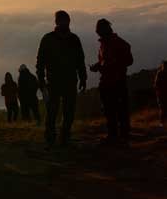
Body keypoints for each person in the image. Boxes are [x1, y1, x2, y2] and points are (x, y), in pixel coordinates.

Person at [36, 10, 87, 147]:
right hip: (54, 81)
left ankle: (64, 136)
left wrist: (83, 78)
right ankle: (51, 137)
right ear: (57, 22)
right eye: (62, 20)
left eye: (66, 20)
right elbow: (40, 61)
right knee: (52, 111)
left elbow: (80, 60)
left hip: (70, 80)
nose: (65, 23)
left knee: (68, 111)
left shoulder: (73, 39)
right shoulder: (48, 39)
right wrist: (41, 80)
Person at [89, 19, 134, 144]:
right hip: (108, 82)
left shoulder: (117, 43)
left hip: (116, 81)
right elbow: (106, 60)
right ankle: (116, 135)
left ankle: (119, 136)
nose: (97, 32)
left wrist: (107, 66)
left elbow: (128, 60)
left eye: (99, 30)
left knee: (116, 110)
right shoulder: (105, 44)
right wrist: (98, 65)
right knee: (111, 110)